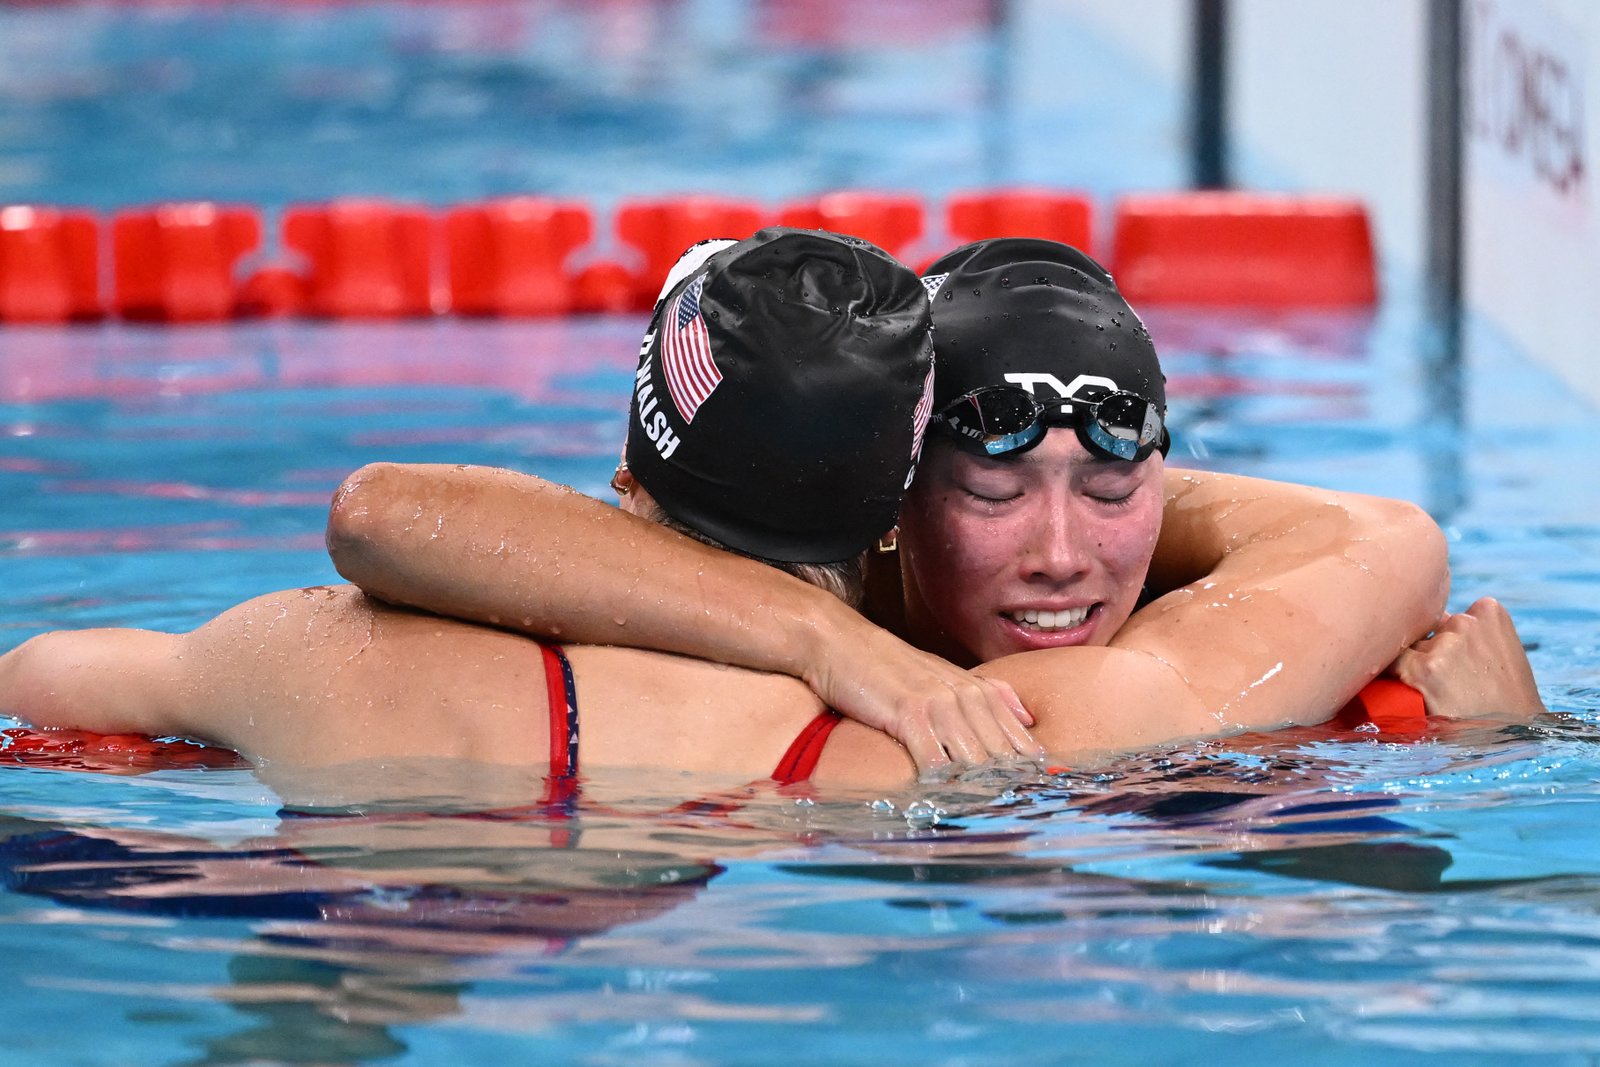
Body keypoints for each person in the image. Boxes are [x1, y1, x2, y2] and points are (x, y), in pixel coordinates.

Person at [0, 233, 1539, 805]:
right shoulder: (936, 744)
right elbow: (1380, 545)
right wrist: (1509, 755)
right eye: (989, 479)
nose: (1061, 547)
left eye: (1110, 481)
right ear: (884, 513)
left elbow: (41, 696)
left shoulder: (301, 652)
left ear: (625, 482)